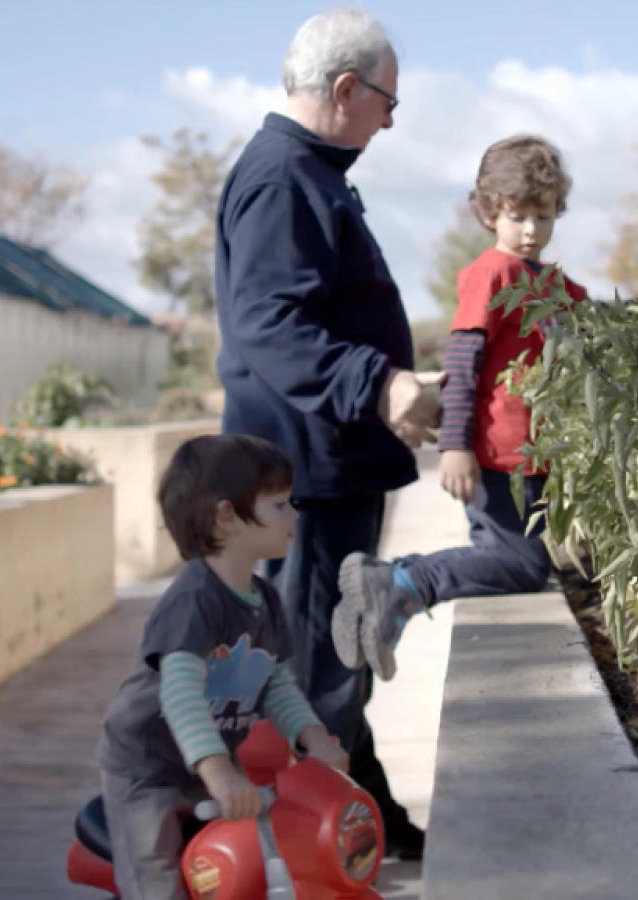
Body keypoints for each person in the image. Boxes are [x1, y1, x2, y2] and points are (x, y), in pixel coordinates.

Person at [213, 6, 436, 858]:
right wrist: (377, 384)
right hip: (306, 475)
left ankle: (368, 820)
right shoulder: (283, 178)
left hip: (325, 466)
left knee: (336, 656)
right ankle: (316, 856)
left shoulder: (309, 173)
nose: (387, 119)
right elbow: (269, 325)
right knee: (320, 666)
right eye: (387, 102)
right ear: (346, 90)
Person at [332, 134, 587, 676]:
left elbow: (600, 331)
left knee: (518, 560)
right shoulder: (491, 274)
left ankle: (394, 605)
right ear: (491, 212)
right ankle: (403, 582)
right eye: (517, 215)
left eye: (543, 216)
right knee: (520, 565)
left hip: (537, 459)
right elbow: (464, 361)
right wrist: (455, 447)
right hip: (496, 456)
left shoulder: (555, 285)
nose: (530, 230)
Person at [96, 434, 350, 899]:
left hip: (210, 754)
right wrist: (218, 772)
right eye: (279, 504)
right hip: (148, 765)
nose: (294, 515)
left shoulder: (264, 598)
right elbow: (180, 693)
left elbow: (275, 681)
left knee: (245, 865)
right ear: (228, 516)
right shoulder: (194, 601)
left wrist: (313, 738)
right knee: (159, 881)